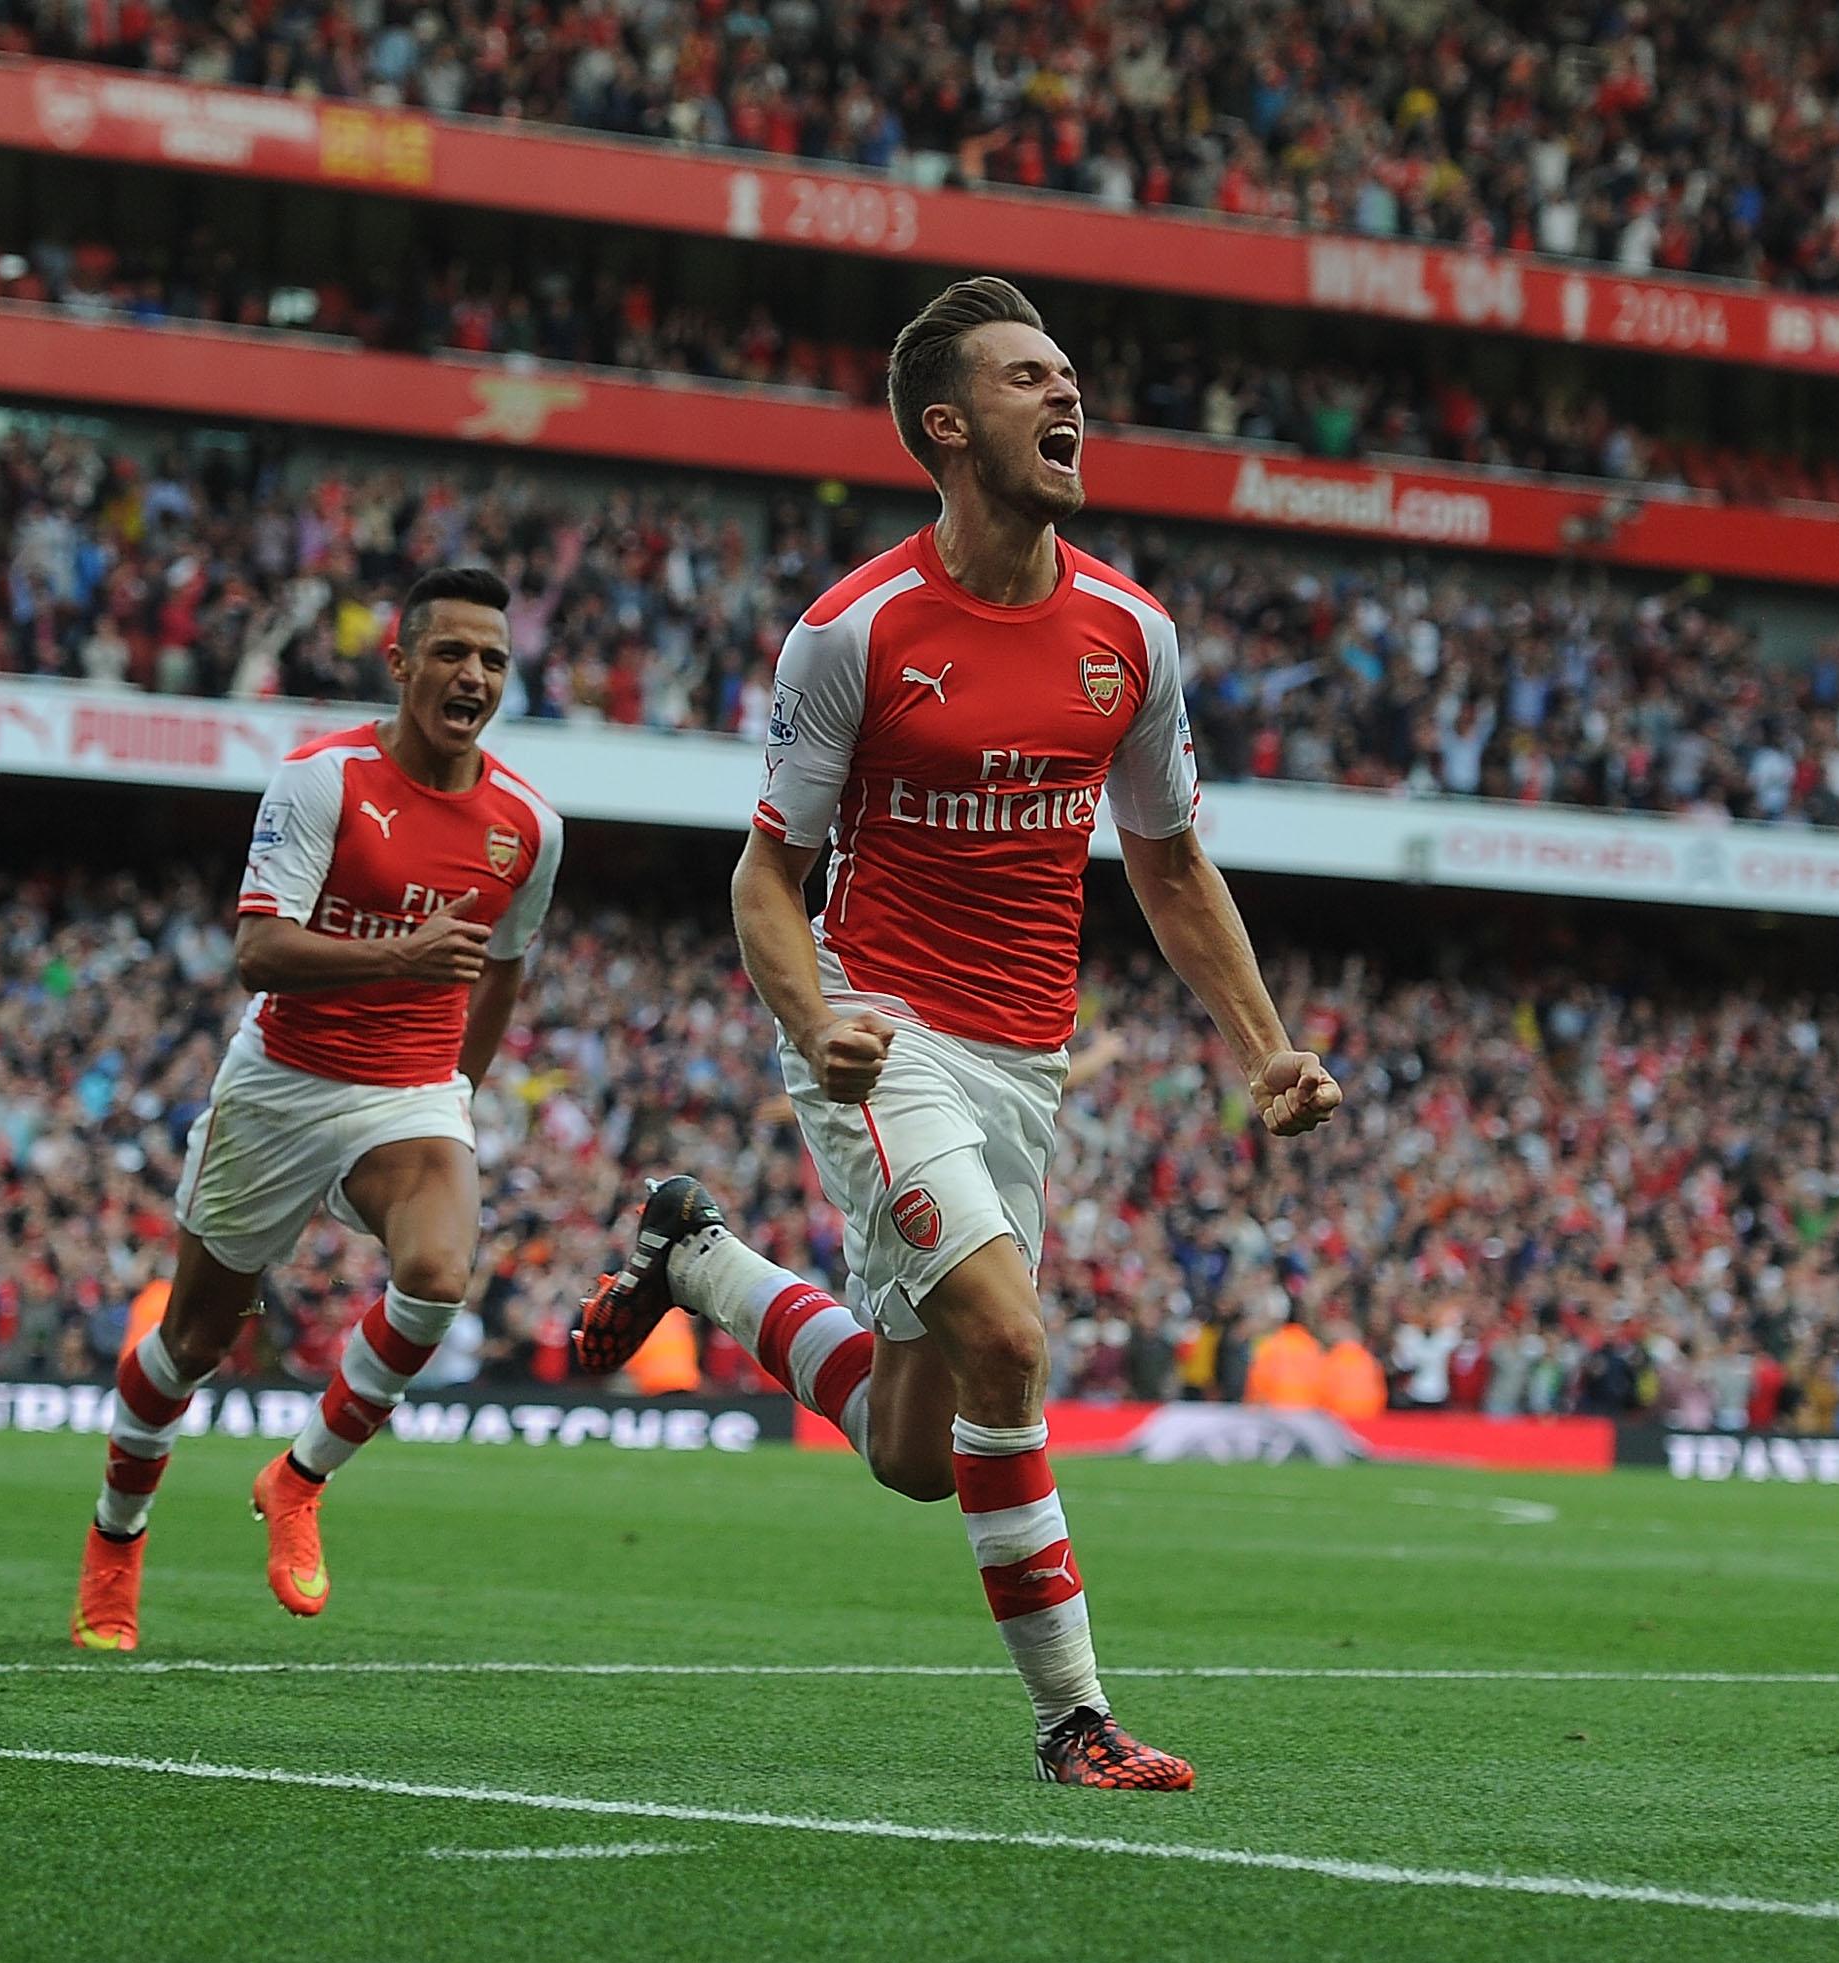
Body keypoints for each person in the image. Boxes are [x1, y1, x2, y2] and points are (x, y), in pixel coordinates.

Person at [574, 278, 1340, 1789]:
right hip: (884, 1027)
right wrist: (817, 1020)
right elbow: (766, 877)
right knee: (1007, 1340)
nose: (1067, 396)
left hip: (1024, 1060)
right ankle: (1074, 1718)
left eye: (1068, 374)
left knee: (917, 1450)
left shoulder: (1131, 633)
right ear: (946, 426)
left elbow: (1170, 864)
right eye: (1026, 377)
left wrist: (1263, 1046)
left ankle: (698, 1258)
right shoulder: (851, 633)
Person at [70, 565, 564, 1651]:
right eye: (450, 652)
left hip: (410, 1091)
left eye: (492, 659)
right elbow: (258, 953)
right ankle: (116, 1537)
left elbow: (503, 970)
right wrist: (400, 957)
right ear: (400, 662)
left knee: (439, 1277)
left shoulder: (530, 823)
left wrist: (458, 1090)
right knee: (192, 1341)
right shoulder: (321, 781)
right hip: (282, 1085)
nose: (472, 675)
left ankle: (299, 1479)